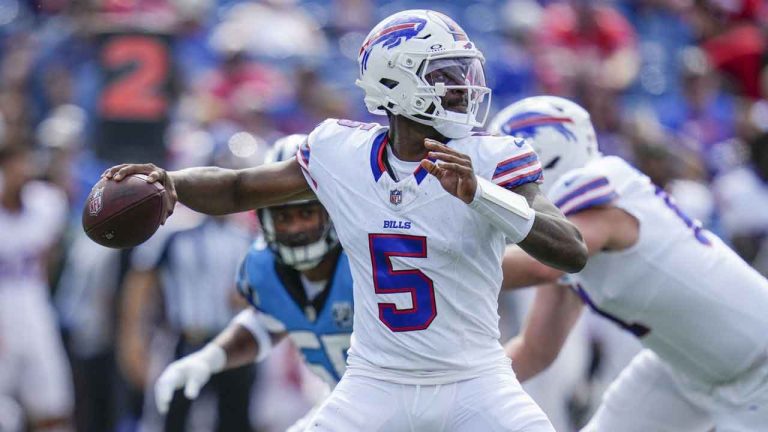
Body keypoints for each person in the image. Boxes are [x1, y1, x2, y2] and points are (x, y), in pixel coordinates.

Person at [103, 10, 587, 431]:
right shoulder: (341, 154)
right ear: (397, 82)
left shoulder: (493, 158)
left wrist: (483, 195)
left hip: (476, 379)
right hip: (376, 381)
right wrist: (171, 182)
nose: (463, 86)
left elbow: (571, 249)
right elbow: (239, 187)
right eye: (444, 74)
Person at [489, 95, 768, 431]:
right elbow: (536, 349)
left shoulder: (598, 188)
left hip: (758, 364)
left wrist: (438, 265)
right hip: (681, 367)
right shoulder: (566, 243)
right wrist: (456, 386)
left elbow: (542, 265)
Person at [153, 134, 350, 431]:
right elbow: (266, 323)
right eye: (283, 216)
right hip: (345, 399)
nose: (295, 227)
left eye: (307, 213)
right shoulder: (263, 263)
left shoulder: (362, 263)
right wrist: (209, 358)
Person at [0, 143, 75, 432]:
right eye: (12, 165)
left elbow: (50, 256)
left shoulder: (46, 203)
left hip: (34, 307)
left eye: (25, 164)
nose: (21, 172)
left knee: (53, 408)